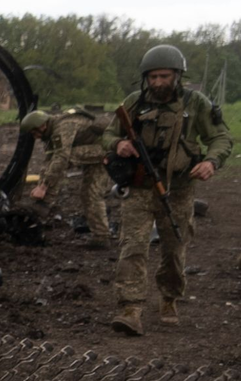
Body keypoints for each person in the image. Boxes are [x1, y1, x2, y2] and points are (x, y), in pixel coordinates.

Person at [103, 44, 232, 335]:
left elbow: (221, 138)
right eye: (153, 77)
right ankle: (130, 309)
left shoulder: (195, 103)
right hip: (139, 187)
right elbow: (110, 132)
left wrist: (211, 162)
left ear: (177, 75)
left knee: (174, 248)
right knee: (132, 247)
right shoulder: (134, 102)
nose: (158, 82)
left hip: (178, 189)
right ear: (145, 78)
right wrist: (117, 143)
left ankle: (170, 297)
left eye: (164, 76)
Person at [20, 108, 113, 248]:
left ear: (42, 126)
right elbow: (48, 162)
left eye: (34, 133)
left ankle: (101, 237)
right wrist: (40, 188)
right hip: (92, 151)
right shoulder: (50, 132)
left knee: (66, 159)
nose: (35, 137)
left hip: (104, 149)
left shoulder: (63, 127)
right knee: (88, 194)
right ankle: (101, 237)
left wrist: (44, 187)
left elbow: (61, 158)